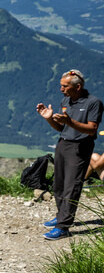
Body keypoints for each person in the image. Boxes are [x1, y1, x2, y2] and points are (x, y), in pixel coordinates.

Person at [36, 69, 102, 239]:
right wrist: (49, 118)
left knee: (72, 186)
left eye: (65, 86)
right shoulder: (66, 101)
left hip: (80, 147)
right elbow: (62, 127)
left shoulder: (93, 103)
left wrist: (70, 122)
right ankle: (61, 216)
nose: (61, 89)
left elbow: (92, 129)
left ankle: (63, 227)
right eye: (61, 85)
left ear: (77, 87)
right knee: (59, 184)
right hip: (63, 144)